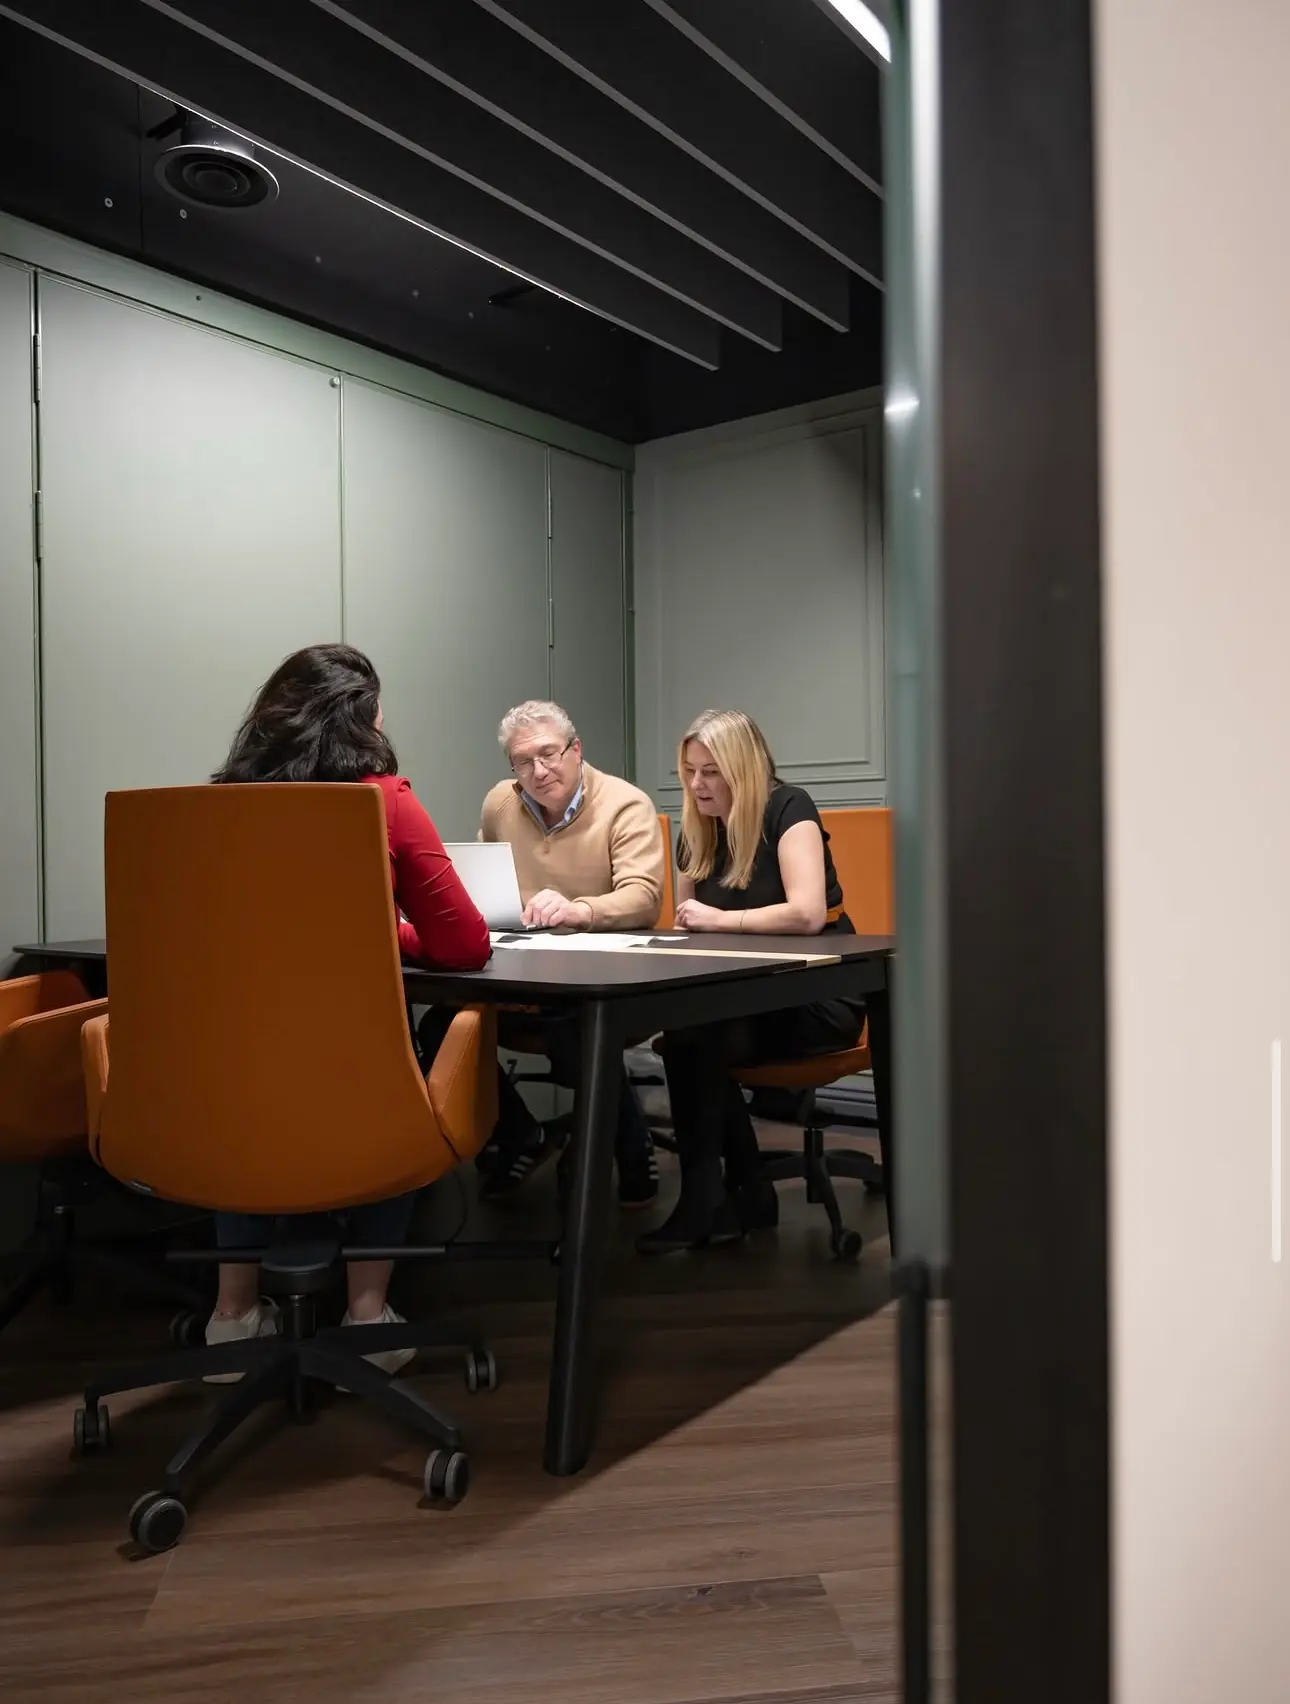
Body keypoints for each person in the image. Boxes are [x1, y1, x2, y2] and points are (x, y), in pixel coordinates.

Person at [205, 644, 491, 1377]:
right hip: (357, 1084)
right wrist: (388, 933)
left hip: (233, 1079)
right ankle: (368, 1311)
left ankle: (232, 1318)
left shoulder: (214, 810)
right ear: (362, 717)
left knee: (236, 1089)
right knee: (392, 1076)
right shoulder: (385, 800)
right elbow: (461, 945)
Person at [637, 708, 865, 1256]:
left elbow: (807, 913)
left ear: (741, 769)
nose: (696, 785)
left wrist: (723, 920)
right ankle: (737, 1193)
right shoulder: (696, 829)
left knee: (696, 1040)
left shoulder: (789, 808)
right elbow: (691, 929)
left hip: (816, 995)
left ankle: (713, 1199)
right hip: (741, 997)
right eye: (689, 770)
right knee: (691, 1031)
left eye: (711, 771)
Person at [421, 700, 663, 1207]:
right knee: (438, 1027)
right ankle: (522, 1134)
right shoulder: (500, 804)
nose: (539, 771)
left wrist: (580, 909)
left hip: (601, 976)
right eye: (523, 761)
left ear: (576, 750)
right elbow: (485, 881)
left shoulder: (625, 804)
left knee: (579, 1032)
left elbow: (644, 897)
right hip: (522, 970)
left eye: (550, 754)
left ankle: (629, 1143)